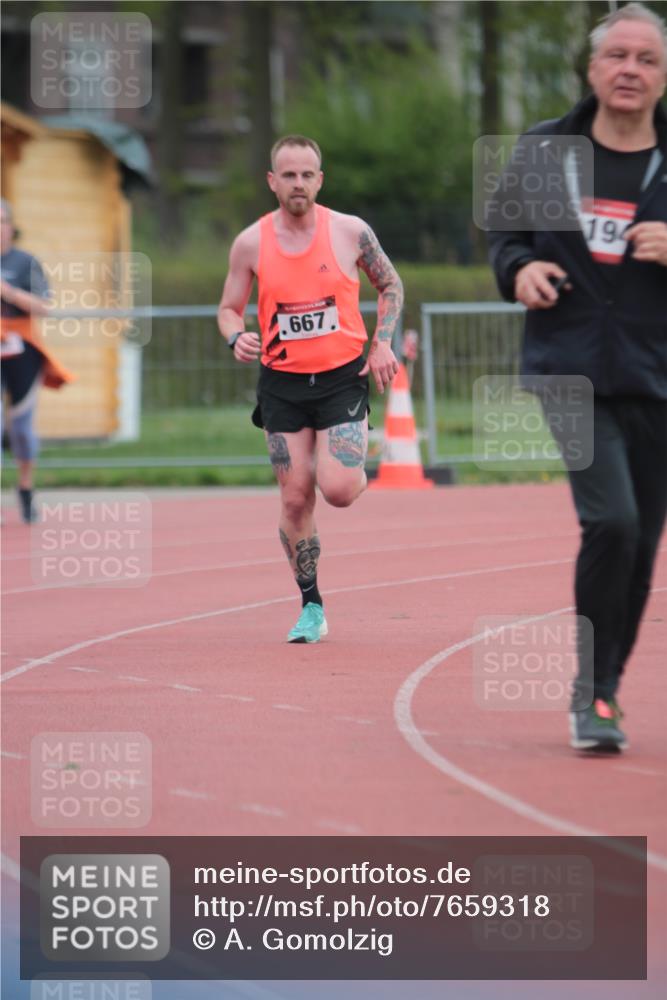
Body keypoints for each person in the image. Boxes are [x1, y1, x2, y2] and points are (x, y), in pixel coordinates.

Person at [487, 3, 667, 752]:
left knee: (642, 542)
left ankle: (605, 688)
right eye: (617, 55)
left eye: (647, 59)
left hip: (656, 374)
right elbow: (505, 237)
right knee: (612, 521)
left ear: (662, 77)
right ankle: (589, 693)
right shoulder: (544, 149)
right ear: (592, 69)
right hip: (568, 367)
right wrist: (520, 270)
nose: (630, 69)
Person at [218, 135, 403, 642]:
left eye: (306, 175)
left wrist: (382, 344)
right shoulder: (251, 242)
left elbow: (390, 284)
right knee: (295, 498)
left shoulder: (350, 231)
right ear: (272, 181)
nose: (297, 183)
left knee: (337, 489)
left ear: (320, 180)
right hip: (282, 385)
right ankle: (311, 606)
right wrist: (235, 335)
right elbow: (229, 307)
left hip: (342, 377)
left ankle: (353, 461)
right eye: (288, 175)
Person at [1, 199, 74, 523]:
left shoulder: (25, 262)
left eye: (1, 221)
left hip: (22, 349)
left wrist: (9, 293)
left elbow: (45, 306)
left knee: (21, 427)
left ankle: (26, 489)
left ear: (11, 226)